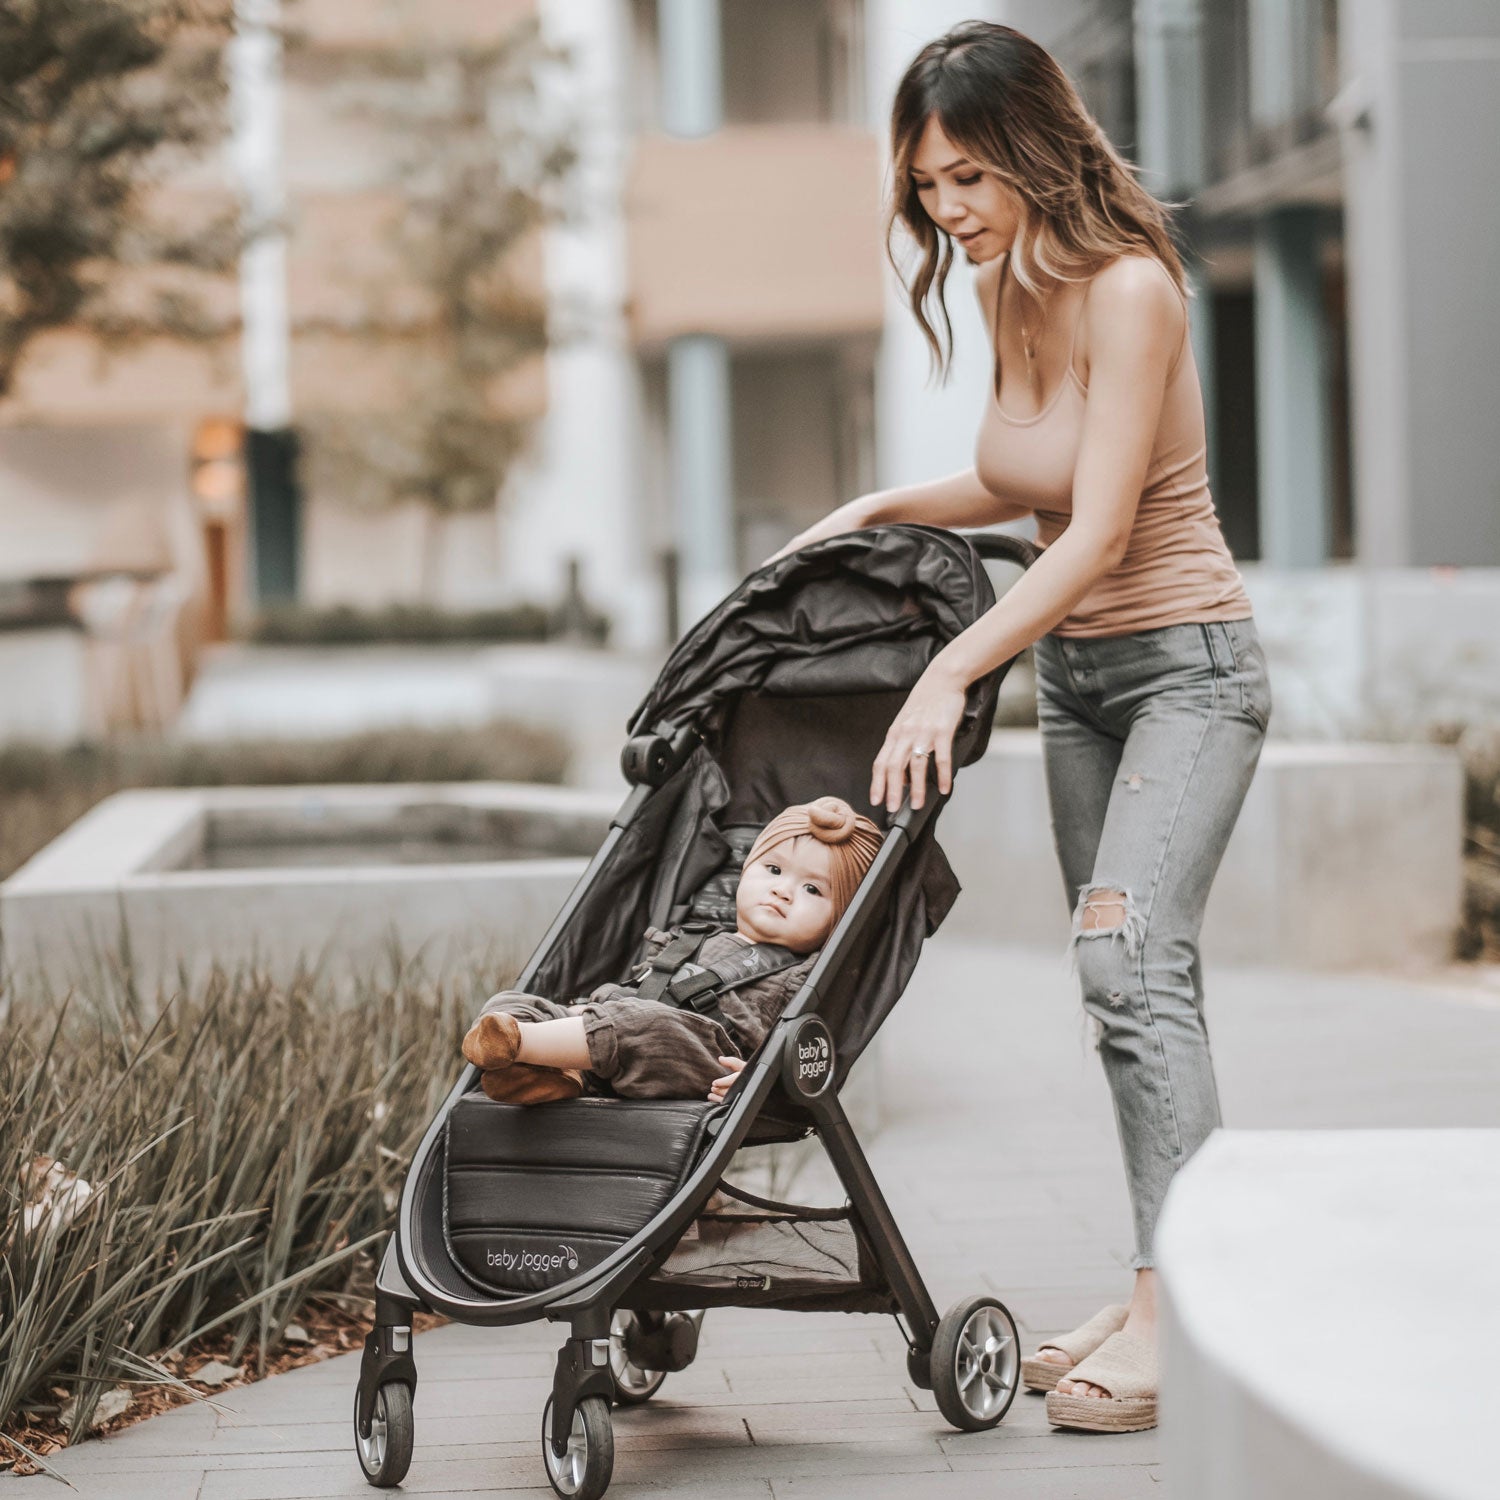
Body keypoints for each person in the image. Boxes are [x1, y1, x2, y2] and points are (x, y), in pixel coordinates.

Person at [774, 22, 1272, 1435]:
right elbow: (1024, 483)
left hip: (1188, 671)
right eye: (929, 187)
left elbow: (1103, 529)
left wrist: (950, 673)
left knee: (1130, 965)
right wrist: (878, 509)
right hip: (1088, 691)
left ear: (1039, 151)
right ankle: (1164, 1282)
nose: (951, 212)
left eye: (972, 179)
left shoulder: (1130, 289)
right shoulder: (1009, 291)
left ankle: (1185, 1312)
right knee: (1123, 992)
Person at [461, 796, 881, 1107]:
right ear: (746, 871)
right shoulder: (690, 935)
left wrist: (760, 1080)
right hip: (622, 1033)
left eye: (812, 889)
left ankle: (519, 1046)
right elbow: (640, 987)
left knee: (647, 1024)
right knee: (514, 1002)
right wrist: (580, 1011)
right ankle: (551, 1070)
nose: (783, 890)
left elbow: (806, 1049)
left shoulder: (803, 973)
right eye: (773, 870)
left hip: (702, 1056)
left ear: (839, 918)